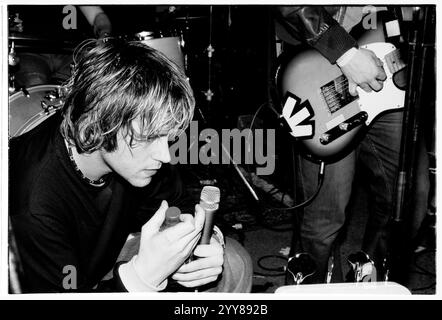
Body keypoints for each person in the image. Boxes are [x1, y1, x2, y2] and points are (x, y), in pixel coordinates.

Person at [9, 38, 253, 293]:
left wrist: (208, 240)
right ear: (98, 124)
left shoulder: (133, 151)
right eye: (148, 137)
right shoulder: (31, 205)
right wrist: (139, 278)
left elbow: (177, 202)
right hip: (60, 281)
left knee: (233, 263)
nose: (165, 155)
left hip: (108, 256)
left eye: (166, 137)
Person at [273, 6, 430, 283]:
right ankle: (308, 290)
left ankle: (367, 282)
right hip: (326, 64)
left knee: (408, 201)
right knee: (323, 221)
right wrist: (346, 53)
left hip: (395, 77)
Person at [11, 5, 112, 88]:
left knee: (73, 88)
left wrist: (104, 33)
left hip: (71, 52)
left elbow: (97, 16)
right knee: (36, 84)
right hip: (32, 50)